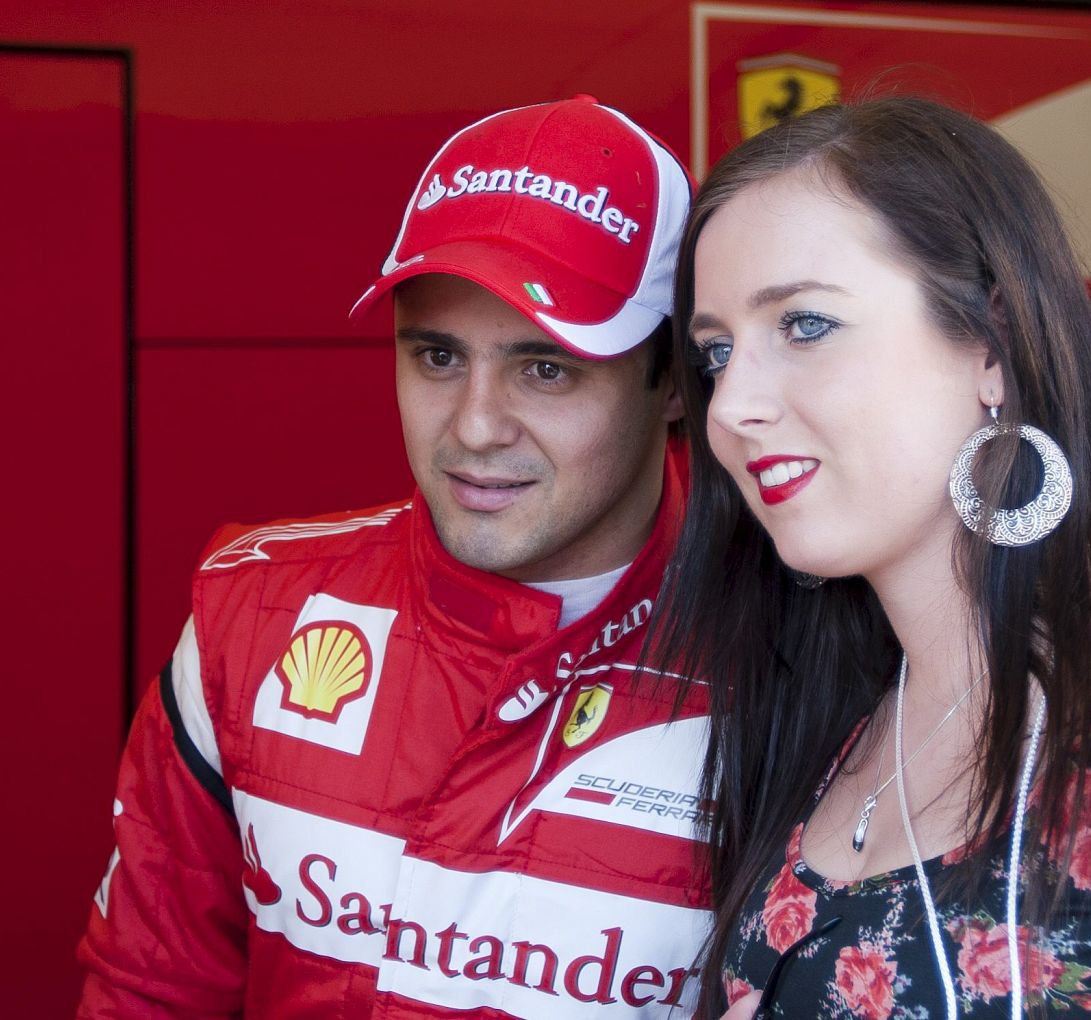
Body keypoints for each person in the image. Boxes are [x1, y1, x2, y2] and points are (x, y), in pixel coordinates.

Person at [76, 96, 717, 1019]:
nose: (475, 428)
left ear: (673, 387)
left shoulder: (795, 661)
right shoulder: (253, 613)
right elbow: (149, 989)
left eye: (548, 368)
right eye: (439, 357)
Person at [650, 95, 1091, 1020]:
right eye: (716, 353)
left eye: (803, 325)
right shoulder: (819, 700)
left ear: (991, 347)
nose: (730, 407)